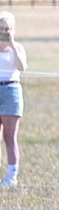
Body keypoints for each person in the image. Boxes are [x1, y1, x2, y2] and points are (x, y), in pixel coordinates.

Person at [0, 12, 27, 188]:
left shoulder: (17, 47)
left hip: (11, 90)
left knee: (9, 137)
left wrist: (11, 43)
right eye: (1, 29)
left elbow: (21, 67)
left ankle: (12, 176)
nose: (4, 31)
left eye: (7, 29)